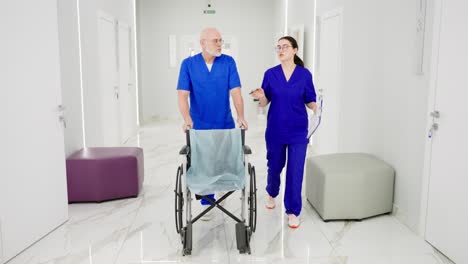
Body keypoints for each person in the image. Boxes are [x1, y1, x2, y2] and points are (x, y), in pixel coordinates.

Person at [177, 27, 248, 220]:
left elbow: (236, 93)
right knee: (202, 161)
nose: (219, 44)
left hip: (223, 122)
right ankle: (206, 199)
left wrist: (241, 116)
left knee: (222, 159)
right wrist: (187, 119)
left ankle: (220, 190)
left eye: (220, 40)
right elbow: (183, 95)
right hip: (199, 124)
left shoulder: (228, 62)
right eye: (215, 40)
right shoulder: (188, 64)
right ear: (202, 43)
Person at [250, 36, 317, 228]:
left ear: (295, 50)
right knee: (275, 166)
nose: (281, 50)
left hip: (298, 131)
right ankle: (272, 192)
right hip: (276, 129)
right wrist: (261, 96)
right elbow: (264, 103)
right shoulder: (270, 74)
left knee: (295, 171)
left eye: (285, 47)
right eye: (278, 47)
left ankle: (293, 211)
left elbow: (309, 99)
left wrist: (317, 108)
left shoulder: (305, 75)